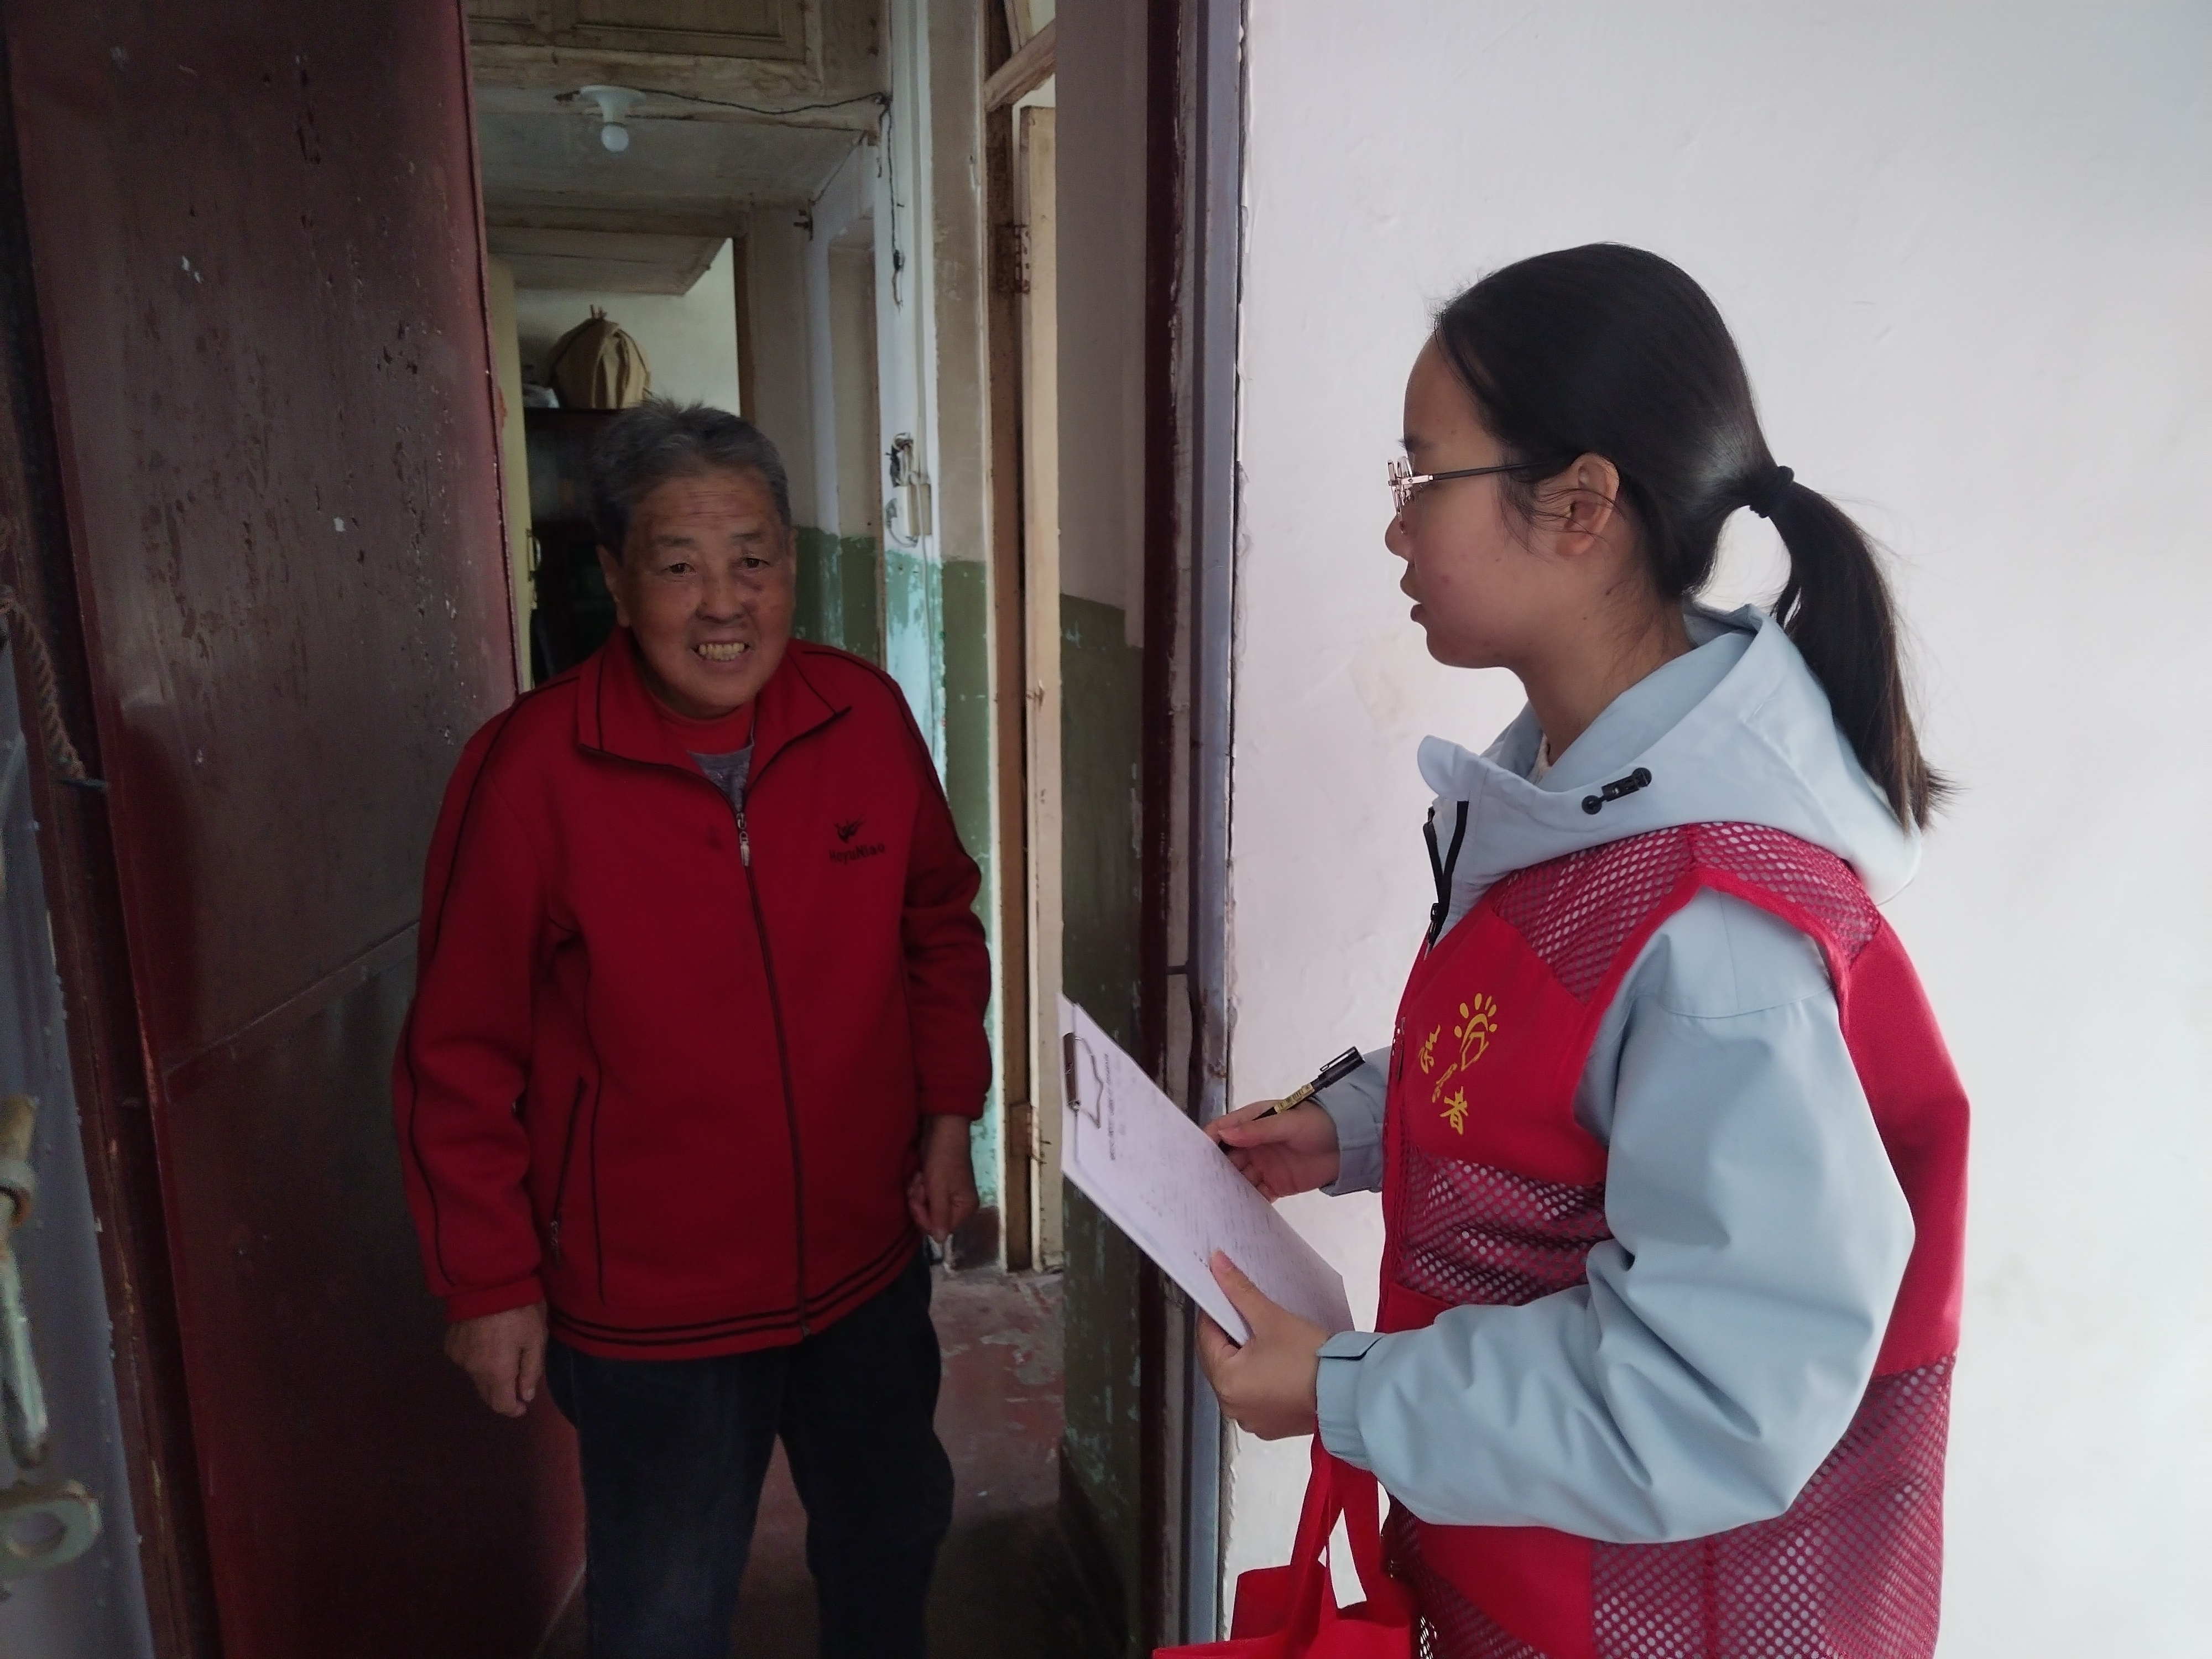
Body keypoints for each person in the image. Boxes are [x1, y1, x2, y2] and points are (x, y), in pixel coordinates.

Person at [1197, 246, 1969, 1659]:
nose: (1395, 530)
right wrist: (1351, 1123)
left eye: (1420, 475)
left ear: (1578, 507)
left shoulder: (1717, 931)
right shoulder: (1579, 797)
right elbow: (1550, 1075)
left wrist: (1343, 1391)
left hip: (1638, 1623)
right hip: (1515, 1586)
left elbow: (1713, 1396)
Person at [393, 400, 990, 1659]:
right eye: (679, 566)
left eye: (752, 559)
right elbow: (459, 1050)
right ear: (615, 579)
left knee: (891, 1538)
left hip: (862, 1265)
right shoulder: (530, 769)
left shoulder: (863, 718)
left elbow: (938, 924)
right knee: (663, 1611)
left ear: (791, 564)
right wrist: (491, 1280)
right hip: (650, 1309)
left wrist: (949, 1114)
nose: (725, 603)